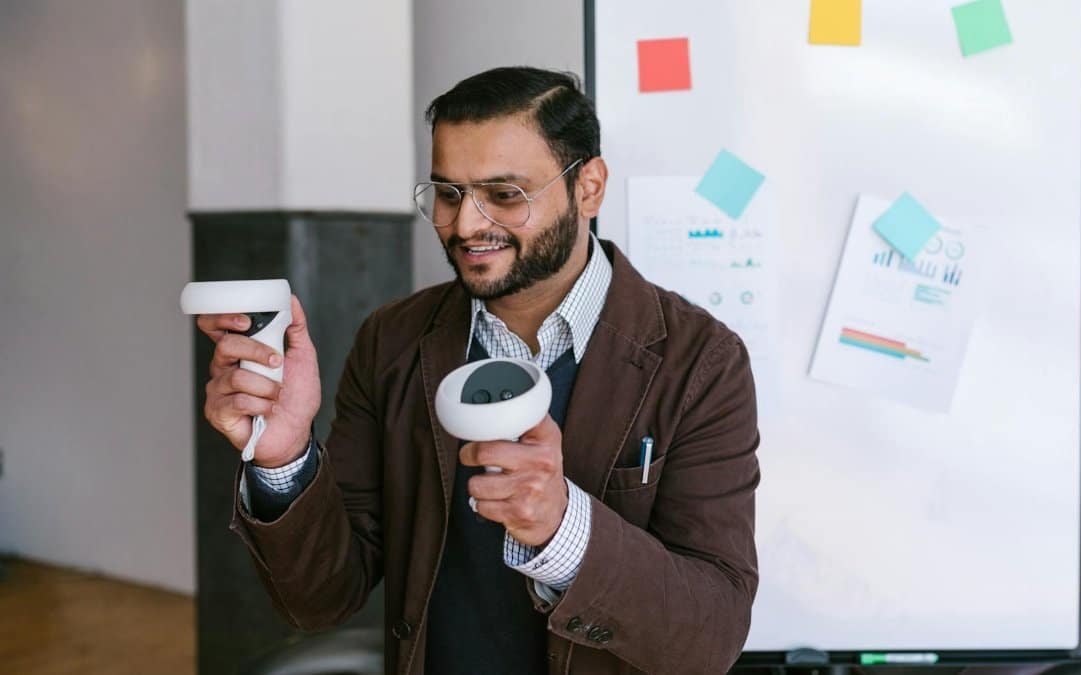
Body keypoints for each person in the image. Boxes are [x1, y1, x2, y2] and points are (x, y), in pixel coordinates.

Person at [195, 66, 760, 675]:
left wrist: (564, 527)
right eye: (447, 193)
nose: (466, 225)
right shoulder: (392, 340)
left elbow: (712, 636)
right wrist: (284, 459)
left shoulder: (700, 361)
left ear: (589, 188)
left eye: (505, 195)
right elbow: (321, 598)